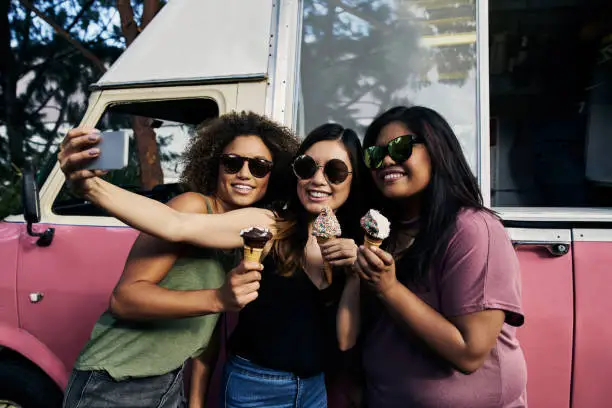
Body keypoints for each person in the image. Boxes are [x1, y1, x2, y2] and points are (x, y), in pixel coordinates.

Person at [59, 122, 367, 408]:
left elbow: (344, 340)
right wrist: (90, 188)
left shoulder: (349, 246)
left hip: (312, 390)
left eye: (336, 172)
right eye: (307, 167)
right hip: (251, 386)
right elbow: (175, 224)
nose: (318, 179)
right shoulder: (268, 224)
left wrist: (355, 275)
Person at [346, 106, 527, 408]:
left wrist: (389, 288)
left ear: (437, 151)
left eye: (401, 148)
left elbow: (469, 353)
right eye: (375, 155)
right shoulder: (380, 231)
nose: (386, 160)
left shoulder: (471, 229)